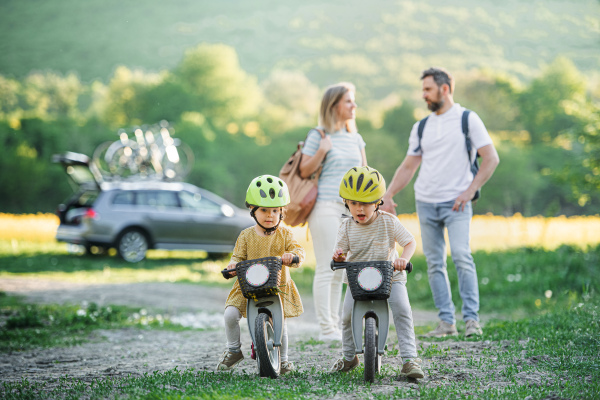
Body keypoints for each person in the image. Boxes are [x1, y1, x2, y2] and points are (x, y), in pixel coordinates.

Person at [381, 67, 500, 338]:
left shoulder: (467, 119)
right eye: (423, 90)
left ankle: (471, 320)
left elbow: (491, 158)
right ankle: (446, 322)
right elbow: (409, 166)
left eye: (428, 89)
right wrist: (388, 195)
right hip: (426, 202)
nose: (423, 95)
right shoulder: (421, 126)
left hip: (457, 203)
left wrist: (470, 191)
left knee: (461, 256)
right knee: (435, 263)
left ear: (444, 89)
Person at [329, 166, 424, 379]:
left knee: (402, 309)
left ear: (377, 202)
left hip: (391, 277)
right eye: (354, 203)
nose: (359, 209)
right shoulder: (345, 227)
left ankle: (410, 360)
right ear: (346, 203)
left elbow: (409, 242)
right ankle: (348, 356)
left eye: (365, 204)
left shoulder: (388, 221)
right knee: (345, 316)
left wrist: (403, 259)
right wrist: (338, 258)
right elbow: (340, 252)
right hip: (357, 279)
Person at [299, 82, 368, 341]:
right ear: (334, 105)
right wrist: (322, 151)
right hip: (325, 207)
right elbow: (305, 170)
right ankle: (326, 329)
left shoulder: (356, 138)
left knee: (341, 270)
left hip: (349, 211)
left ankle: (336, 327)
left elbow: (365, 173)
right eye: (349, 101)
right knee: (326, 267)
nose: (354, 106)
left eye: (353, 101)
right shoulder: (319, 135)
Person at [216, 175, 305, 374]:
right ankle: (234, 350)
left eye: (275, 210)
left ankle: (283, 361)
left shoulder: (285, 234)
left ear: (282, 212)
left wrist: (294, 256)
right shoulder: (246, 235)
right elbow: (237, 257)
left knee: (281, 325)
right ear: (253, 210)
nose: (270, 215)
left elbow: (299, 250)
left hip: (277, 285)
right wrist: (233, 265)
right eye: (264, 210)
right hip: (247, 286)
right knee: (230, 315)